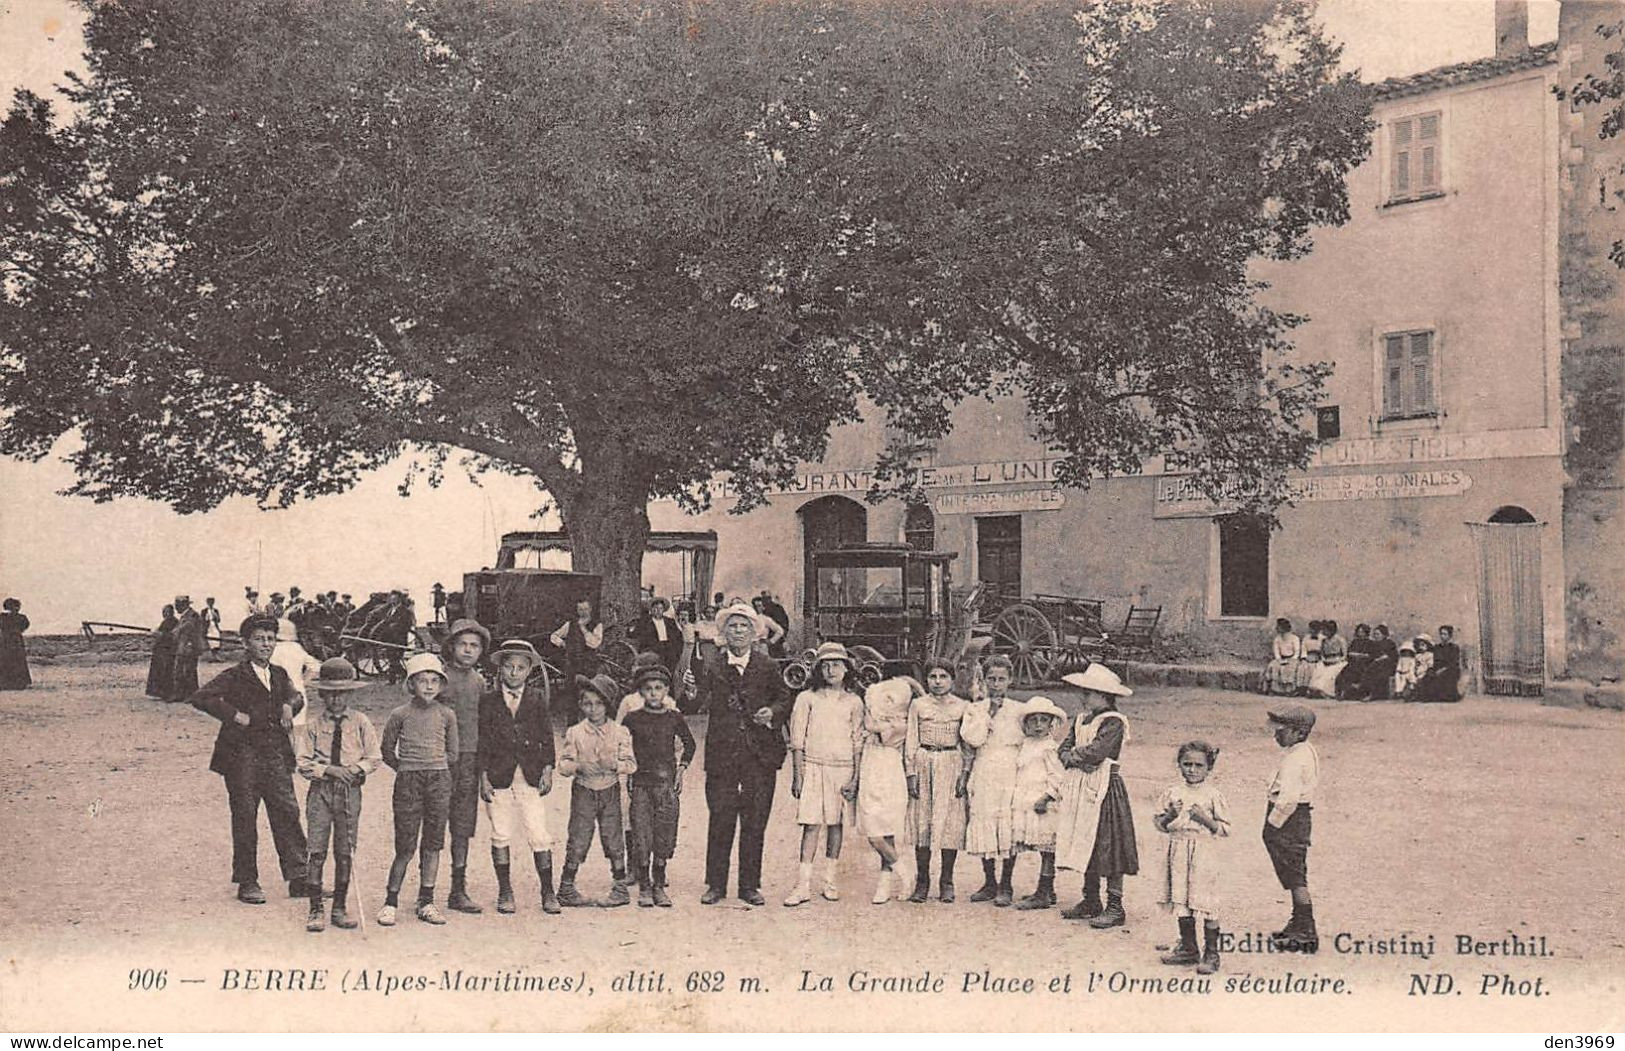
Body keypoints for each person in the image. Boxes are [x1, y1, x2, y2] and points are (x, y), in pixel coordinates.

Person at [188, 614, 312, 905]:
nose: (266, 644)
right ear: (246, 643)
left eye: (270, 639)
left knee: (287, 811)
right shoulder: (234, 675)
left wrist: (288, 706)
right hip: (241, 756)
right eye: (259, 639)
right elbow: (201, 697)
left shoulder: (279, 674)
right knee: (245, 816)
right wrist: (234, 715)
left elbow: (298, 697)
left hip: (275, 755)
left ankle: (299, 876)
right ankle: (247, 881)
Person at [692, 603, 789, 906]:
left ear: (754, 632)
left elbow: (785, 699)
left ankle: (749, 885)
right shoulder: (711, 665)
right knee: (720, 818)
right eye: (732, 626)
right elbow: (693, 703)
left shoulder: (767, 665)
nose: (738, 631)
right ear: (723, 632)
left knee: (755, 819)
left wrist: (771, 712)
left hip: (759, 755)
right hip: (722, 755)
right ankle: (716, 885)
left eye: (744, 626)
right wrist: (691, 693)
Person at [295, 657, 381, 933]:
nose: (336, 700)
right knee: (317, 849)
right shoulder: (312, 725)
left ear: (350, 693)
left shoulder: (360, 722)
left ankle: (340, 906)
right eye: (330, 694)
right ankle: (316, 907)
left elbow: (374, 757)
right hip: (321, 791)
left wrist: (355, 770)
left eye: (342, 693)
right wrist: (330, 770)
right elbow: (304, 762)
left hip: (350, 791)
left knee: (345, 851)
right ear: (322, 694)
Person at [476, 639, 560, 916]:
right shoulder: (488, 701)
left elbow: (546, 737)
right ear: (500, 669)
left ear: (529, 671)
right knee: (501, 832)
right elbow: (483, 741)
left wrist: (548, 768)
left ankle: (548, 891)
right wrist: (483, 776)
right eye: (509, 667)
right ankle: (505, 890)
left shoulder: (536, 699)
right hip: (499, 774)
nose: (514, 673)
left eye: (521, 668)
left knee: (538, 832)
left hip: (529, 773)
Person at [1055, 664, 1140, 928]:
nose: (1083, 697)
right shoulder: (1081, 719)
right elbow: (1063, 748)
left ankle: (1115, 906)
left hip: (1105, 791)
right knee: (1085, 840)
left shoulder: (1113, 722)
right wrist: (1071, 757)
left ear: (1104, 695)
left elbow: (1097, 752)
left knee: (1109, 845)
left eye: (1089, 693)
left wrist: (1076, 757)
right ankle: (1091, 899)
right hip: (1082, 787)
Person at [378, 652, 459, 926]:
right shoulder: (399, 714)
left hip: (438, 780)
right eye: (422, 680)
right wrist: (407, 767)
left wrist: (434, 766)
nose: (428, 686)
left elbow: (453, 752)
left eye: (434, 680)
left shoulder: (447, 715)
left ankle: (426, 901)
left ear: (441, 685)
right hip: (408, 781)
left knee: (433, 842)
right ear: (410, 684)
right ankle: (390, 901)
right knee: (405, 844)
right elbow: (387, 750)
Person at [783, 642, 865, 907]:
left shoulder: (854, 701)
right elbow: (797, 740)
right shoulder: (806, 698)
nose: (831, 669)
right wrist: (798, 774)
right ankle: (802, 885)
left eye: (837, 664)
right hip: (813, 767)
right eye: (826, 665)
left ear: (846, 669)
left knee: (836, 825)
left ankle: (830, 880)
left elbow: (857, 743)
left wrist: (855, 778)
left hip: (843, 769)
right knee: (811, 824)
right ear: (818, 669)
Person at [556, 674, 637, 908]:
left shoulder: (620, 732)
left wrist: (616, 766)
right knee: (579, 836)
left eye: (599, 703)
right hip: (584, 790)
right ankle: (566, 887)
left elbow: (631, 764)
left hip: (609, 789)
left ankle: (620, 888)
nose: (593, 709)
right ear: (581, 705)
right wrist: (579, 766)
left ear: (608, 705)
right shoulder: (575, 732)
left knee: (613, 837)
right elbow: (563, 766)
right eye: (587, 703)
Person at [621, 662, 697, 908]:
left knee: (664, 834)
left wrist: (682, 769)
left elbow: (690, 744)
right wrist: (629, 769)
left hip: (666, 785)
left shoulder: (674, 717)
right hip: (642, 784)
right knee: (642, 833)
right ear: (641, 692)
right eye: (648, 689)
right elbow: (621, 746)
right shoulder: (632, 719)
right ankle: (644, 885)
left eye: (659, 688)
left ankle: (659, 884)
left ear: (666, 690)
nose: (654, 693)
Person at [1154, 741, 1230, 975]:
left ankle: (1211, 953)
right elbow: (1159, 824)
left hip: (1204, 853)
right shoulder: (1172, 793)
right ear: (1179, 765)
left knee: (1206, 902)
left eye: (1199, 765)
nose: (1192, 770)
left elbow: (1225, 829)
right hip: (1178, 851)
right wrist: (1170, 815)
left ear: (1209, 768)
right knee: (1182, 899)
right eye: (1187, 764)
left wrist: (1204, 819)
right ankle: (1188, 947)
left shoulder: (1213, 795)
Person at [961, 654, 1028, 906]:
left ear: (1010, 680)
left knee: (1007, 826)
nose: (996, 684)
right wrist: (987, 713)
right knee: (984, 821)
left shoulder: (1020, 710)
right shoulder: (975, 709)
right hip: (985, 769)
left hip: (1010, 770)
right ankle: (989, 881)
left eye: (1001, 679)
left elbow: (1027, 742)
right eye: (991, 679)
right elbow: (973, 739)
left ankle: (1006, 883)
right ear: (984, 680)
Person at [904, 657, 971, 903]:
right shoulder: (918, 706)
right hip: (924, 761)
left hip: (950, 762)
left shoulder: (962, 706)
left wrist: (964, 774)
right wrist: (911, 774)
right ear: (926, 680)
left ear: (952, 680)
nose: (938, 681)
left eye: (943, 676)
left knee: (949, 824)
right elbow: (911, 738)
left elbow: (967, 744)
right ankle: (922, 882)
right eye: (933, 676)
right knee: (923, 823)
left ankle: (947, 881)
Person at [439, 618, 492, 915]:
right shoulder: (440, 677)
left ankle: (458, 889)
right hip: (440, 760)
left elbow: (484, 725)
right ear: (452, 647)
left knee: (462, 826)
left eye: (475, 645)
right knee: (434, 823)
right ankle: (427, 889)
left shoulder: (480, 681)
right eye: (463, 644)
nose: (468, 650)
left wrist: (483, 768)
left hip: (469, 760)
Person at [1264, 702, 1321, 953]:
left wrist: (1272, 825)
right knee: (1294, 872)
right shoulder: (1303, 751)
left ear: (1299, 733)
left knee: (1295, 875)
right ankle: (1298, 921)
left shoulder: (1295, 761)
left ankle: (1306, 929)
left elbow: (1287, 799)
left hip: (1289, 819)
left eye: (1282, 730)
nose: (1276, 734)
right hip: (1297, 817)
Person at [857, 675, 918, 905]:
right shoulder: (879, 716)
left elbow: (874, 729)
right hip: (870, 769)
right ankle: (902, 873)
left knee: (884, 831)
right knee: (874, 831)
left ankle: (892, 880)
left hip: (889, 772)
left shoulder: (899, 723)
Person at [1011, 697, 1068, 911]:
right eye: (1033, 721)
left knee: (1047, 849)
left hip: (1043, 803)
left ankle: (1043, 892)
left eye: (1043, 720)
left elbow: (1058, 777)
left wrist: (1046, 797)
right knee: (1036, 846)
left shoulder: (1049, 748)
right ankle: (1048, 890)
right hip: (1026, 801)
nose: (1038, 725)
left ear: (1051, 724)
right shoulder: (1025, 745)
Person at [550, 598, 604, 720]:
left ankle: (590, 722)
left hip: (588, 664)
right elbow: (553, 636)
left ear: (590, 609)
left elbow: (594, 643)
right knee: (571, 693)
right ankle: (572, 724)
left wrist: (584, 629)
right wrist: (562, 643)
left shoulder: (597, 624)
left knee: (589, 693)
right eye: (580, 609)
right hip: (572, 662)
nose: (583, 612)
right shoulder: (570, 624)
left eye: (585, 609)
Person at [272, 617, 322, 745]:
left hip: (277, 694)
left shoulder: (272, 649)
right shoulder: (297, 648)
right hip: (298, 694)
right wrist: (303, 681)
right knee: (298, 732)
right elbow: (316, 666)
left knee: (277, 733)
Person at [631, 598, 683, 677]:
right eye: (655, 608)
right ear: (651, 610)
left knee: (669, 674)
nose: (658, 611)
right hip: (653, 650)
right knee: (654, 673)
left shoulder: (670, 622)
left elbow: (679, 637)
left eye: (660, 608)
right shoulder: (644, 622)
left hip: (669, 651)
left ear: (663, 610)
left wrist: (677, 652)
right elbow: (635, 634)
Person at [169, 596, 207, 702]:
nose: (176, 608)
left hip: (190, 647)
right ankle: (180, 694)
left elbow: (188, 629)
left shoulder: (192, 616)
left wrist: (174, 633)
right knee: (179, 671)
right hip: (182, 647)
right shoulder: (184, 616)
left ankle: (190, 695)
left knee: (188, 671)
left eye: (177, 606)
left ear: (184, 605)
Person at [1413, 625, 1462, 702]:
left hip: (1450, 669)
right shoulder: (1437, 647)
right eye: (1441, 634)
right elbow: (1433, 659)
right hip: (1437, 668)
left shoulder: (1454, 648)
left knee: (1445, 676)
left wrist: (1442, 669)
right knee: (1428, 675)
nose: (1442, 636)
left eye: (1445, 634)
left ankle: (1447, 696)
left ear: (1450, 635)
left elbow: (1453, 662)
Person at [145, 604, 178, 700]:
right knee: (160, 671)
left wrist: (159, 634)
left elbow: (171, 636)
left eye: (167, 612)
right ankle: (159, 692)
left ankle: (165, 692)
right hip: (161, 651)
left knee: (165, 672)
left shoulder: (173, 622)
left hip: (166, 651)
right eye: (164, 612)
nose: (165, 614)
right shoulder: (167, 622)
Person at [1307, 619, 1346, 699]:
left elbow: (1344, 655)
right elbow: (1322, 653)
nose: (1324, 632)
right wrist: (1324, 659)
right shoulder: (1324, 640)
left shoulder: (1340, 640)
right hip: (1326, 661)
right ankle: (1315, 689)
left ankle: (1326, 692)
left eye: (1326, 630)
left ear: (1332, 631)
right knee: (1318, 671)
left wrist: (1336, 660)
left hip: (1337, 661)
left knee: (1329, 674)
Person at [1336, 624, 1376, 700]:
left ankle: (1362, 693)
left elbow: (1371, 655)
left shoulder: (1370, 643)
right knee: (1344, 673)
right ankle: (1342, 692)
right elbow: (1349, 652)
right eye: (1359, 632)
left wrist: (1360, 655)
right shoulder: (1355, 642)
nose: (1360, 634)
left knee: (1362, 673)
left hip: (1364, 663)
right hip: (1353, 663)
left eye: (1362, 632)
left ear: (1366, 633)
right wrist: (1354, 655)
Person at [1263, 618, 1300, 696]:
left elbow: (1297, 652)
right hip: (1281, 658)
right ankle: (1274, 689)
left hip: (1292, 658)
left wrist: (1291, 660)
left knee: (1289, 668)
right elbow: (1276, 651)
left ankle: (1289, 690)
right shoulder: (1277, 639)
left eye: (1279, 627)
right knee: (1274, 666)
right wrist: (1279, 659)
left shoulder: (1294, 638)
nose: (1278, 629)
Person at [0, 598, 31, 690]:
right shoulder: (20, 617)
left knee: (13, 660)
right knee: (12, 660)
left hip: (8, 640)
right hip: (12, 640)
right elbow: (25, 626)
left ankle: (13, 682)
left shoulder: (3, 617)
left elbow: (25, 625)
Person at [1363, 624, 1399, 701]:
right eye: (1374, 634)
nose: (1376, 636)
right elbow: (1371, 655)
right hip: (1376, 664)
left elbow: (1394, 656)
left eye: (1378, 634)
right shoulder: (1373, 644)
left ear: (1384, 635)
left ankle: (1373, 694)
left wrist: (1382, 658)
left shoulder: (1390, 643)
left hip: (1388, 665)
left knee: (1376, 670)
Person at [1296, 621, 1323, 696]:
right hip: (1308, 658)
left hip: (1318, 659)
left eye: (1315, 629)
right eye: (1311, 629)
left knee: (1317, 669)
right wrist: (1304, 659)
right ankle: (1302, 689)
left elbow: (1323, 650)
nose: (1312, 631)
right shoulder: (1306, 638)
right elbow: (1303, 649)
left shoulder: (1322, 638)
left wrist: (1319, 658)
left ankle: (1313, 690)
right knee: (1302, 668)